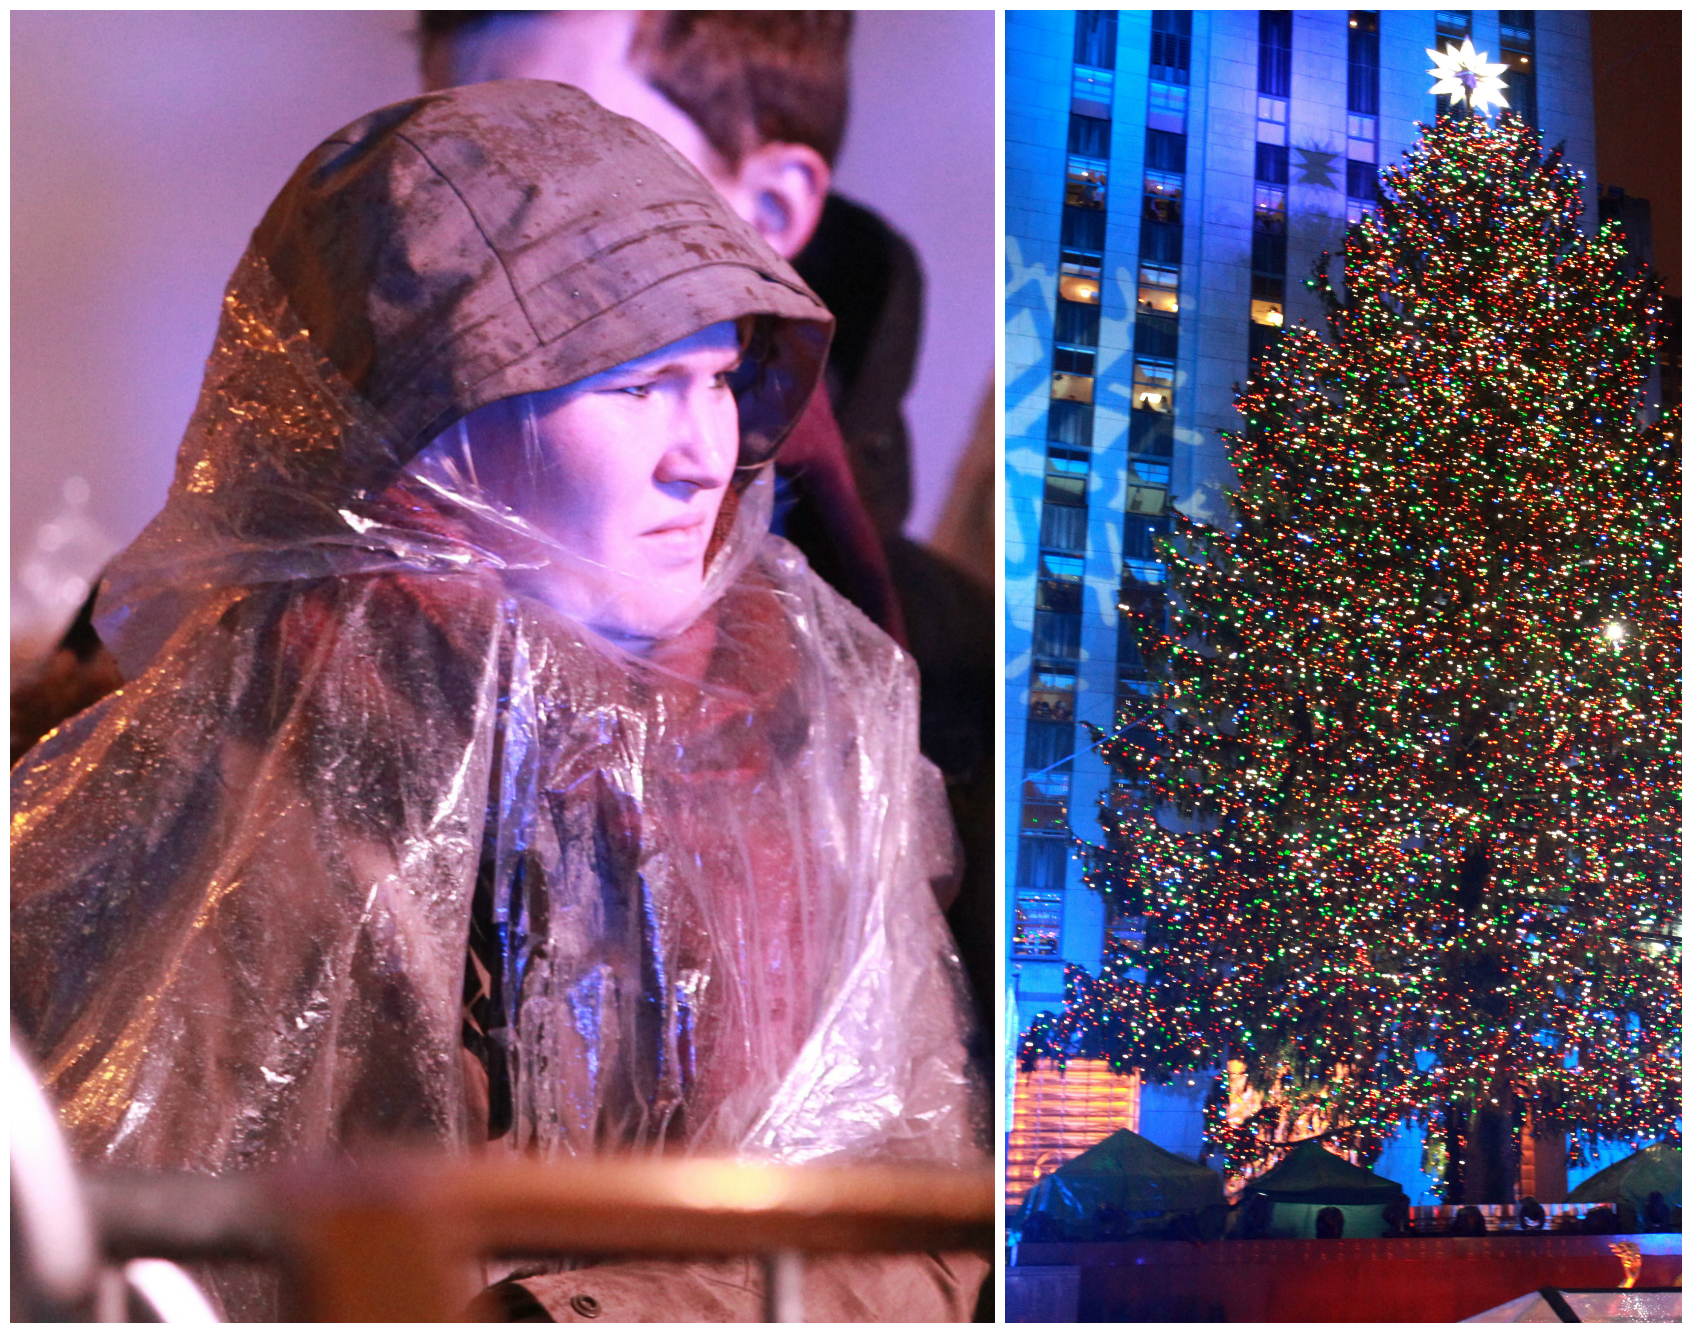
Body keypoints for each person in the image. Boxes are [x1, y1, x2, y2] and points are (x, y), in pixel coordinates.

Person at [11, 80, 985, 1321]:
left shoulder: (808, 717)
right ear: (431, 429)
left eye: (718, 375)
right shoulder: (241, 772)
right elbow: (191, 1250)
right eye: (631, 389)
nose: (700, 452)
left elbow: (914, 1219)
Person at [416, 10, 996, 1048]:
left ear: (767, 206)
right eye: (441, 167)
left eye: (562, 163)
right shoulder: (244, 629)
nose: (467, 243)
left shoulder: (959, 686)